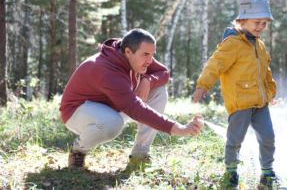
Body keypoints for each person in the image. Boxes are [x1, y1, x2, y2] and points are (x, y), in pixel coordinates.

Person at [60, 28, 203, 169]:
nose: (150, 60)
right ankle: (78, 150)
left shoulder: (135, 56)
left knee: (159, 91)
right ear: (128, 51)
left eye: (152, 54)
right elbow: (136, 109)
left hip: (113, 107)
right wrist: (179, 129)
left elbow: (163, 73)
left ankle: (140, 154)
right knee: (112, 122)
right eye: (146, 54)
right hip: (77, 113)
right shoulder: (106, 70)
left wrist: (148, 80)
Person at [193, 0, 277, 189]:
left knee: (268, 137)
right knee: (235, 139)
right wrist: (202, 85)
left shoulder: (259, 45)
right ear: (242, 20)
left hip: (261, 103)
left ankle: (267, 174)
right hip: (240, 102)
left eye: (264, 23)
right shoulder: (232, 43)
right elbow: (215, 65)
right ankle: (231, 173)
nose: (261, 26)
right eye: (257, 22)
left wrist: (270, 91)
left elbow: (265, 71)